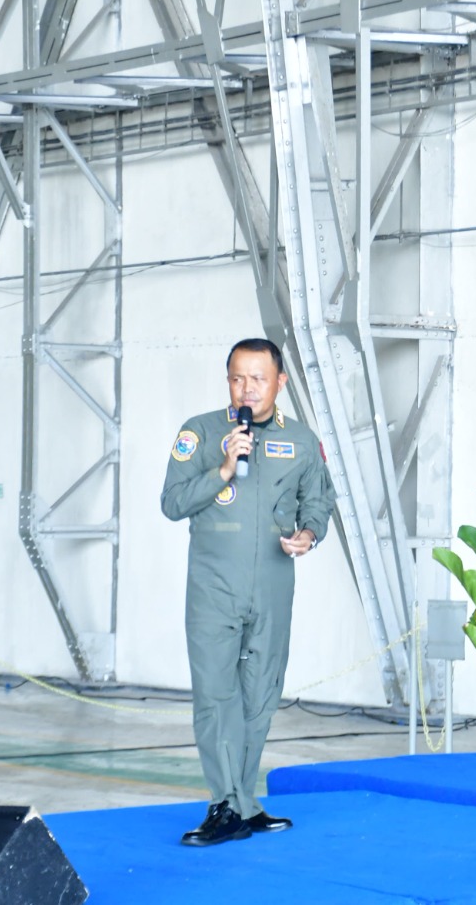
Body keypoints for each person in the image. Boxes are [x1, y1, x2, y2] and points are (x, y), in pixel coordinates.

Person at [161, 339, 337, 847]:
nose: (247, 389)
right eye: (238, 378)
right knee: (217, 696)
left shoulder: (301, 440)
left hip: (273, 588)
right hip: (214, 588)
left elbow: (318, 500)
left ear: (280, 382)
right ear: (228, 381)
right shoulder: (200, 433)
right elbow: (172, 503)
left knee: (260, 697)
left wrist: (309, 533)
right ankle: (224, 804)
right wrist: (221, 470)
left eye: (258, 379)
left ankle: (243, 803)